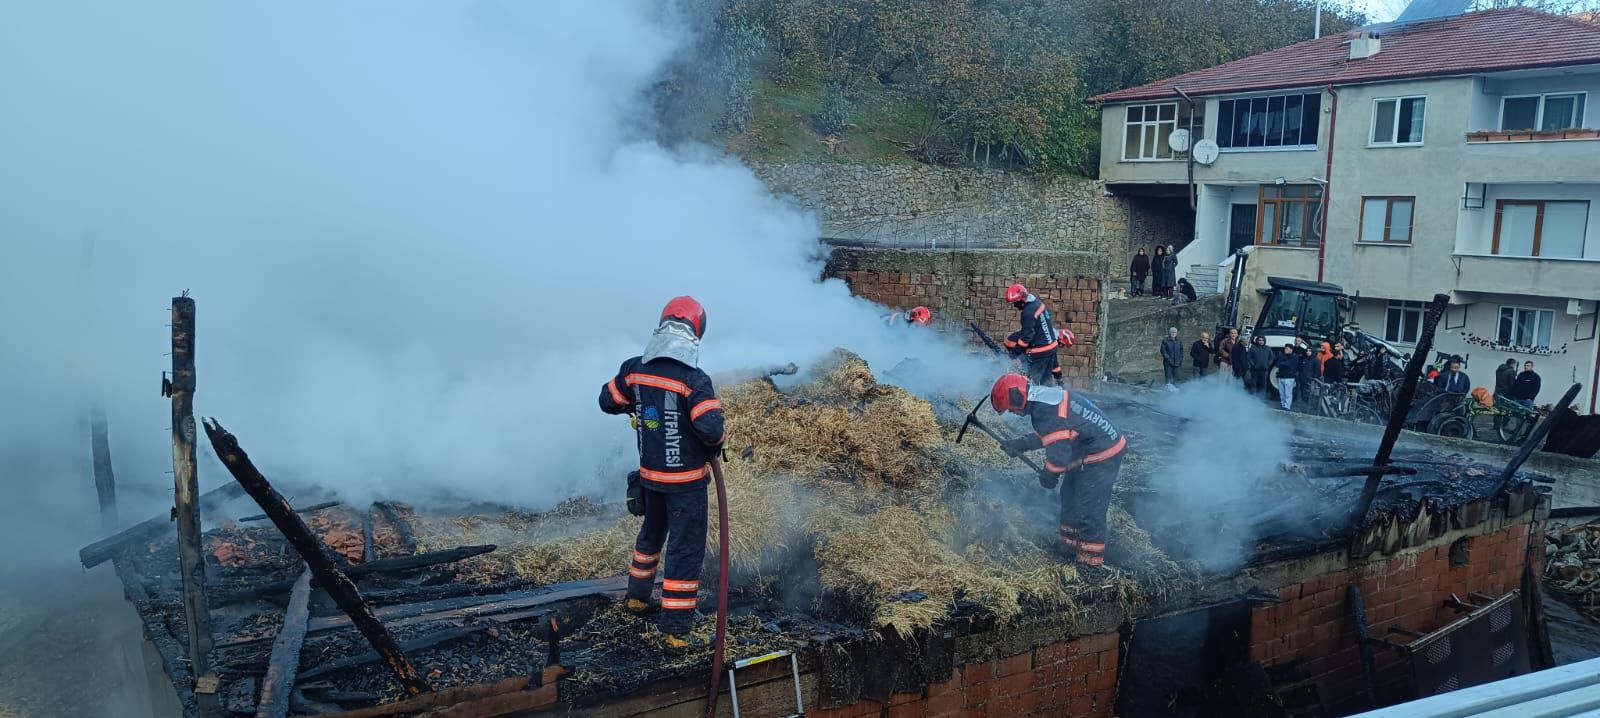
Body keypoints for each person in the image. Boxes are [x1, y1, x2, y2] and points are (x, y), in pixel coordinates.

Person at [598, 296, 726, 649]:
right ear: (696, 332)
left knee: (651, 536)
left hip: (651, 478)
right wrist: (718, 441)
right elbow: (711, 430)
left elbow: (608, 401)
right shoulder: (695, 380)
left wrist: (640, 404)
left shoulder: (634, 369)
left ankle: (637, 598)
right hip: (685, 485)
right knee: (684, 551)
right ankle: (676, 630)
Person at [990, 373, 1126, 568]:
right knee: (1069, 494)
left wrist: (1050, 474)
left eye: (1010, 409)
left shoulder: (1043, 410)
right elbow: (1055, 431)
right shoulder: (1044, 400)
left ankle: (1090, 563)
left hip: (1103, 452)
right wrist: (1023, 444)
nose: (1012, 413)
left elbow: (1060, 454)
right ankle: (1068, 546)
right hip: (1087, 447)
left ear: (1017, 398)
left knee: (1091, 505)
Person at [1002, 283, 1064, 386]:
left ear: (1021, 300)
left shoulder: (1027, 312)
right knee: (1046, 382)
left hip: (1041, 352)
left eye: (1015, 303)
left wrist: (1014, 354)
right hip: (1051, 347)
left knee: (1033, 384)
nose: (1015, 306)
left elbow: (1027, 337)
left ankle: (1036, 401)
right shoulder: (1038, 303)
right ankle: (1049, 399)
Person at [1274, 344, 1302, 411]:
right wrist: (1282, 363)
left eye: (1287, 349)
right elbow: (1277, 364)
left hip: (1289, 377)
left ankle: (1287, 406)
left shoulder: (1295, 357)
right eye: (1285, 348)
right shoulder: (1282, 355)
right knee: (1282, 393)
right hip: (1281, 376)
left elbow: (1288, 364)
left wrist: (1282, 363)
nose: (1285, 350)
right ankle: (1283, 405)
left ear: (1291, 349)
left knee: (1288, 393)